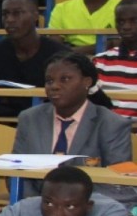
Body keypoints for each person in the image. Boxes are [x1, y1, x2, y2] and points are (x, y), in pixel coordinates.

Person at [13, 54, 132, 193]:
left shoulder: (112, 124)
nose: (55, 86)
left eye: (65, 79)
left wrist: (76, 208)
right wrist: (36, 206)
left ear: (87, 82)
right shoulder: (30, 119)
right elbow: (15, 172)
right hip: (35, 206)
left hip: (90, 207)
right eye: (49, 81)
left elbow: (118, 184)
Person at [0, 0, 68, 110]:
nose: (9, 20)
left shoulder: (60, 55)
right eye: (5, 14)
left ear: (36, 16)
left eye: (17, 13)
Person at [93, 0, 137, 119]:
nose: (126, 26)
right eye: (121, 22)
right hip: (106, 129)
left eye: (134, 20)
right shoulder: (100, 61)